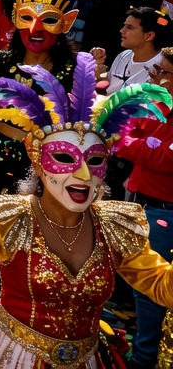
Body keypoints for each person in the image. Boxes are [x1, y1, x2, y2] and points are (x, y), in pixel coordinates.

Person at [0, 56, 173, 369]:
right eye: (65, 157)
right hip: (10, 355)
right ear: (38, 162)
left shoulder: (115, 226)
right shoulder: (9, 217)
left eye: (96, 161)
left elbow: (161, 286)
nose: (84, 175)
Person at [0, 0, 79, 298]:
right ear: (16, 21)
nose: (35, 30)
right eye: (27, 19)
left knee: (35, 229)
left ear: (66, 23)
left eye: (48, 20)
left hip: (44, 162)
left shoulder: (73, 70)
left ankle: (23, 295)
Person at [116, 50, 173, 368]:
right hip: (142, 202)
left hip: (167, 211)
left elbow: (168, 160)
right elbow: (123, 134)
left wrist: (143, 146)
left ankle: (145, 357)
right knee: (141, 283)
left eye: (164, 71)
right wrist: (148, 146)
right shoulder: (157, 101)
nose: (155, 76)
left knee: (152, 287)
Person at [101, 6, 167, 93]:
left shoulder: (163, 68)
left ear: (149, 36)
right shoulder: (123, 55)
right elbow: (107, 85)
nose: (121, 30)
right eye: (124, 26)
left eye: (130, 27)